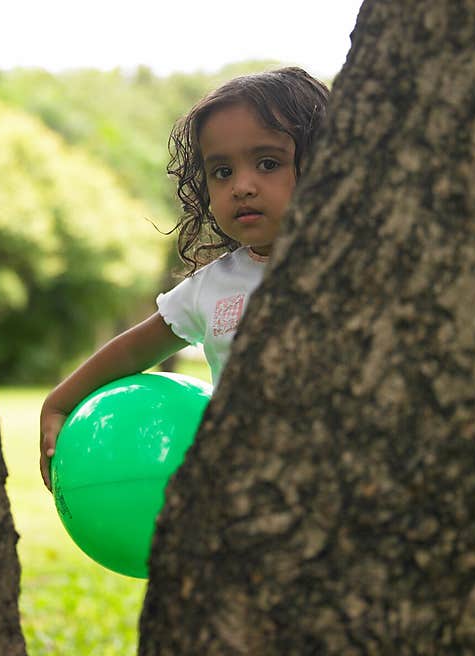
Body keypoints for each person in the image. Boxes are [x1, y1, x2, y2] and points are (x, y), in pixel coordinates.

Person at [39, 67, 330, 489]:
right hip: (246, 495)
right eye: (222, 172)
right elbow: (129, 352)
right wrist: (58, 403)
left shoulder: (353, 267)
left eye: (268, 163)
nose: (242, 186)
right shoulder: (211, 287)